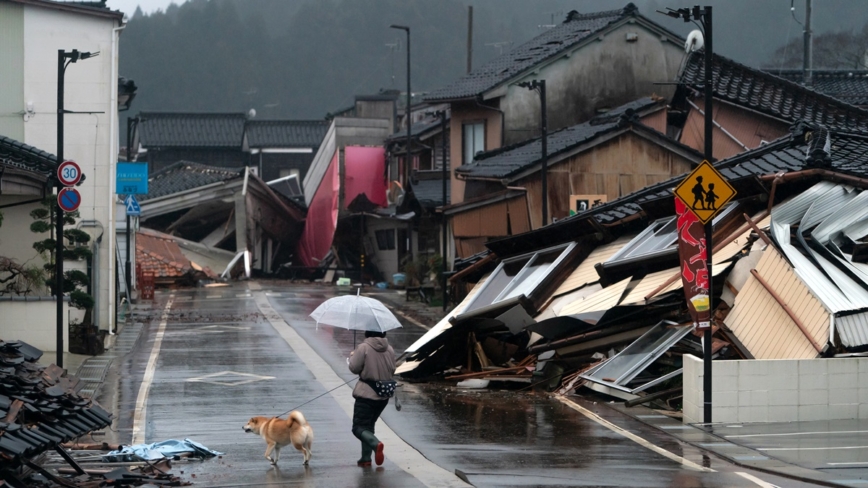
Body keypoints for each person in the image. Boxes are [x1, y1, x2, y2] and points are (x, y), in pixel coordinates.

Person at [348, 330, 396, 467]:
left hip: (366, 394)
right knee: (368, 426)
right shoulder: (390, 349)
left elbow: (354, 368)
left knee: (358, 427)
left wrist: (353, 356)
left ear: (367, 332)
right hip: (383, 396)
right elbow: (393, 370)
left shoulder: (363, 347)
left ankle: (376, 445)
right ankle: (365, 458)